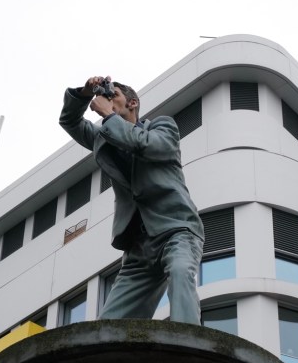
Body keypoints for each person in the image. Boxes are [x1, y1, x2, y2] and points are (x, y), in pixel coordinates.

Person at [59, 75, 204, 324]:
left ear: (132, 103)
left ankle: (190, 343)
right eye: (107, 96)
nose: (109, 100)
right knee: (110, 324)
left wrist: (109, 116)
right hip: (138, 247)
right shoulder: (104, 138)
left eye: (114, 96)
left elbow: (148, 145)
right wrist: (85, 93)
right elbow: (69, 121)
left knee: (180, 272)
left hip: (175, 230)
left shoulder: (162, 127)